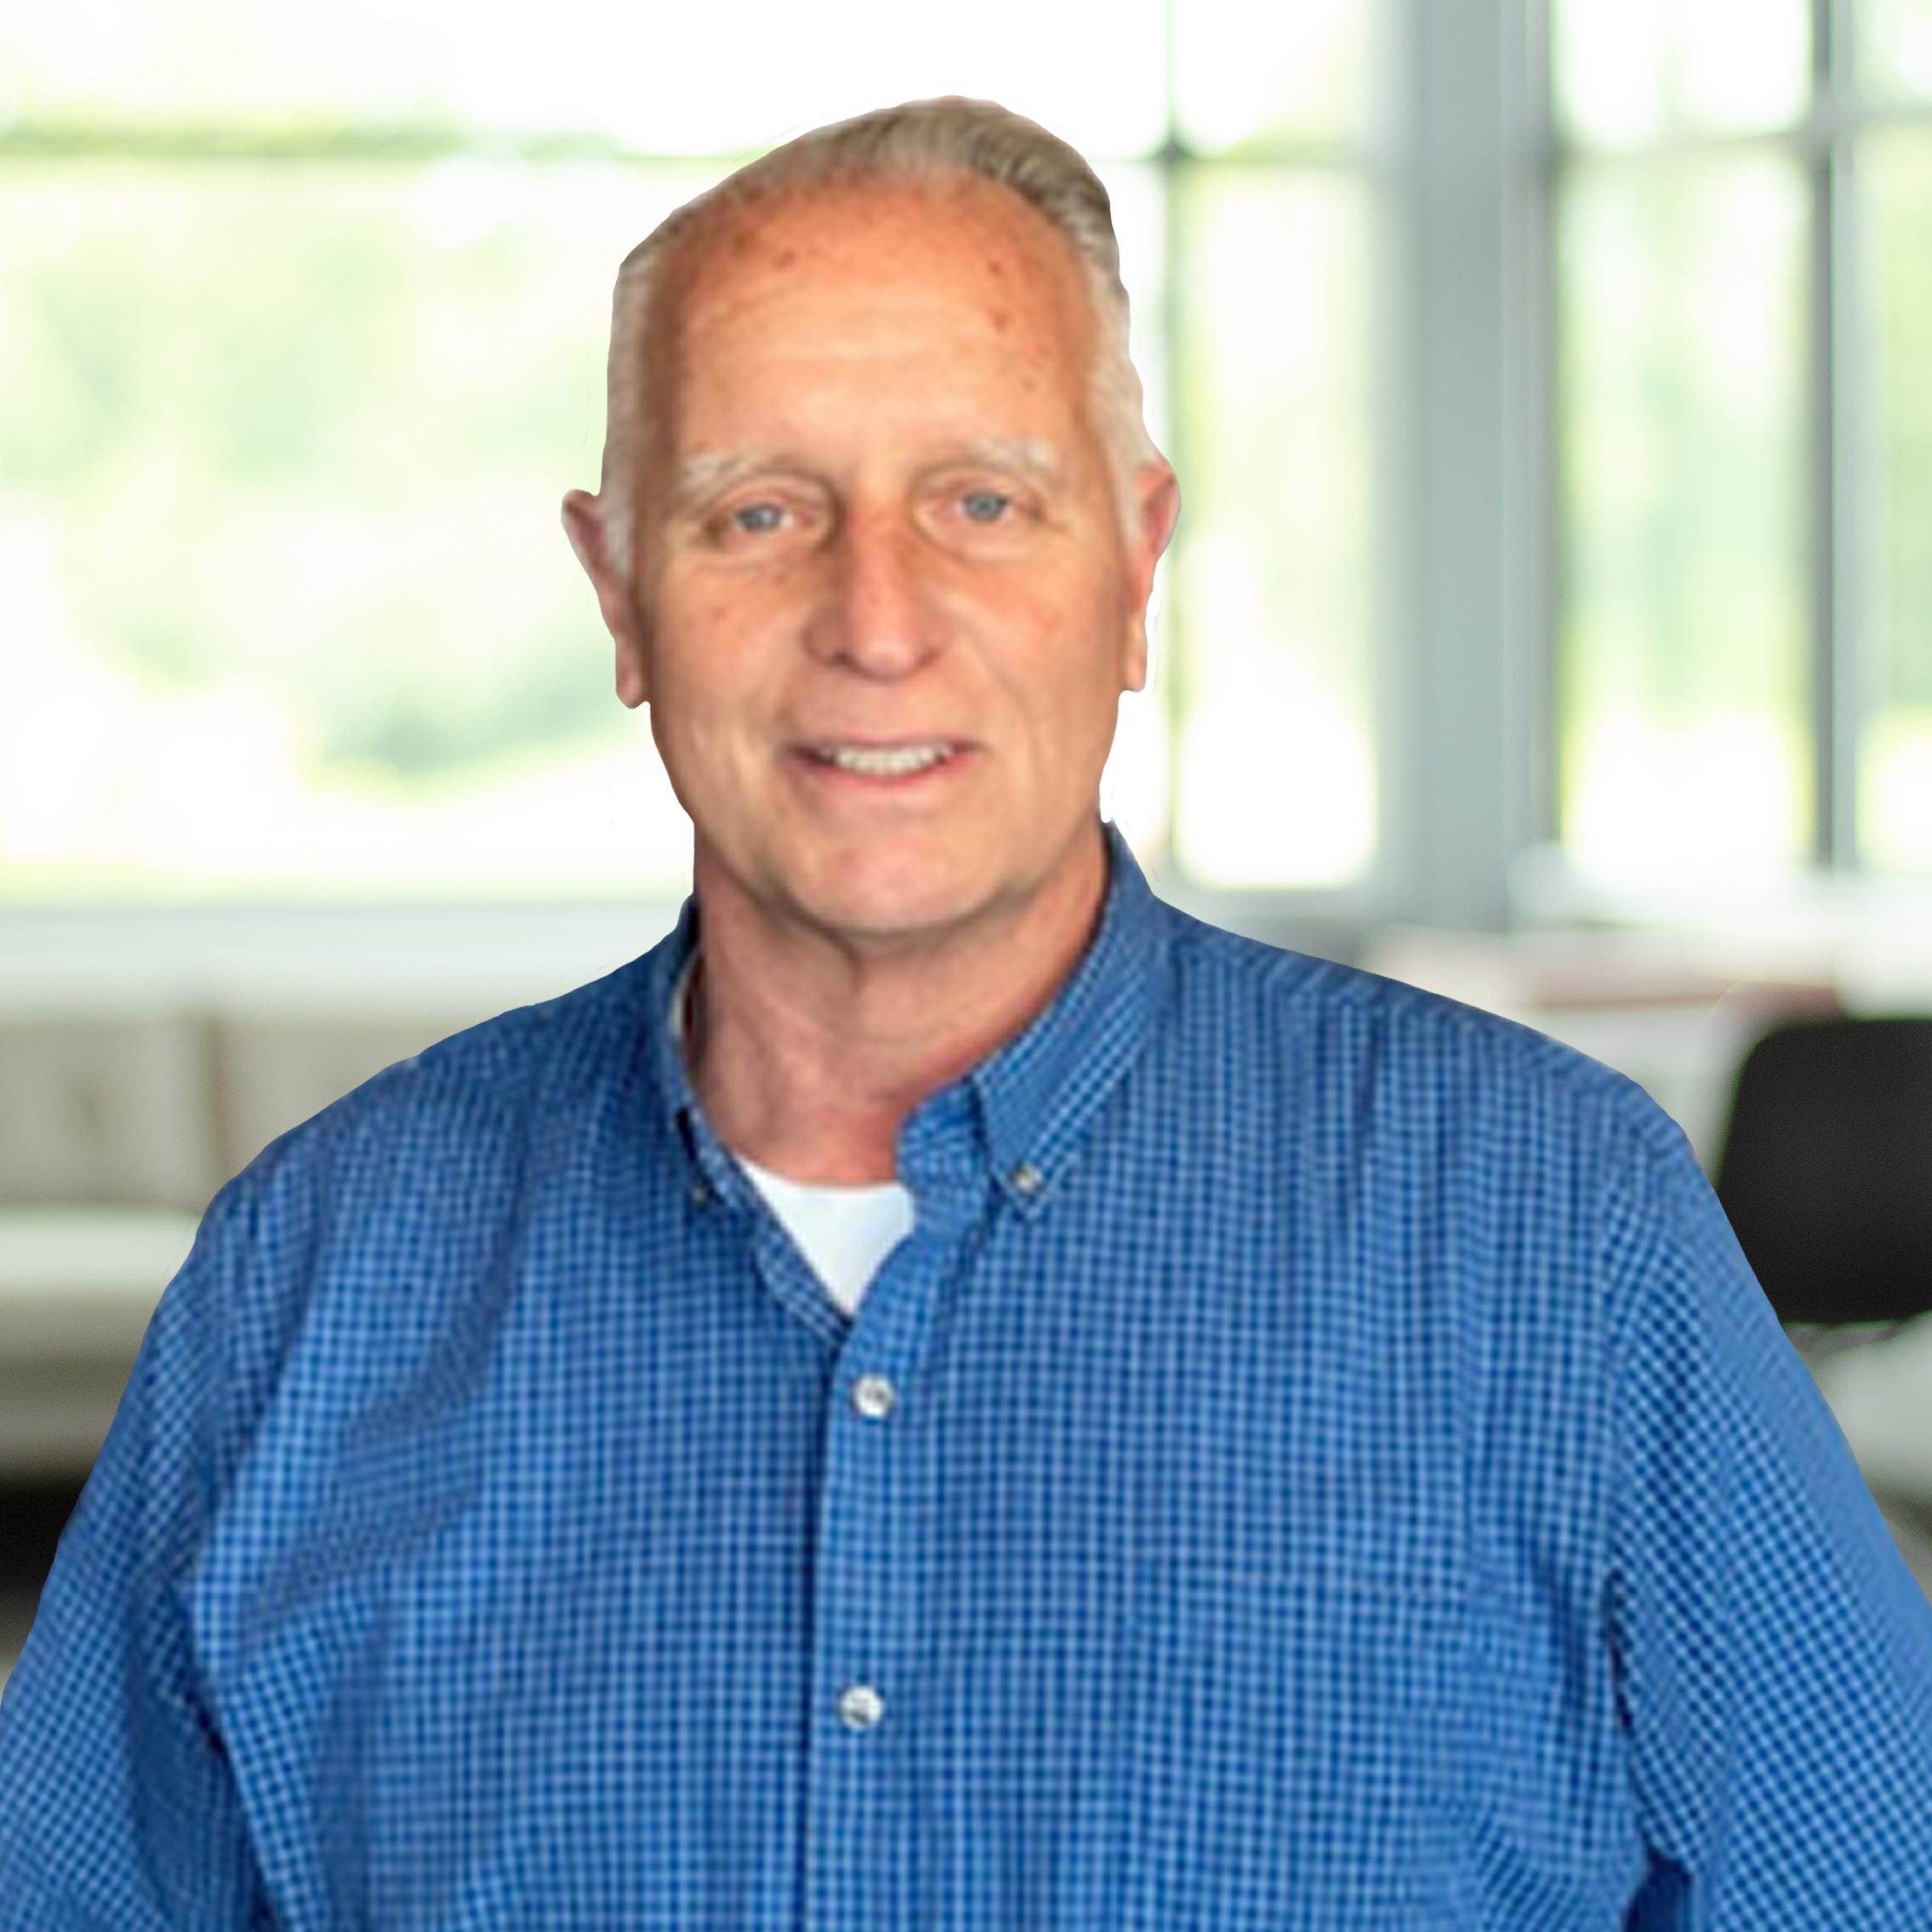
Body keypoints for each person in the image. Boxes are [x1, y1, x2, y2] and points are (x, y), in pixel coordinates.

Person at [3, 93, 1929, 1930]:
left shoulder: (1555, 1235)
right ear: (618, 590)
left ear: (1136, 570)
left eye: (983, 502)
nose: (877, 618)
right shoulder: (313, 1278)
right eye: (758, 513)